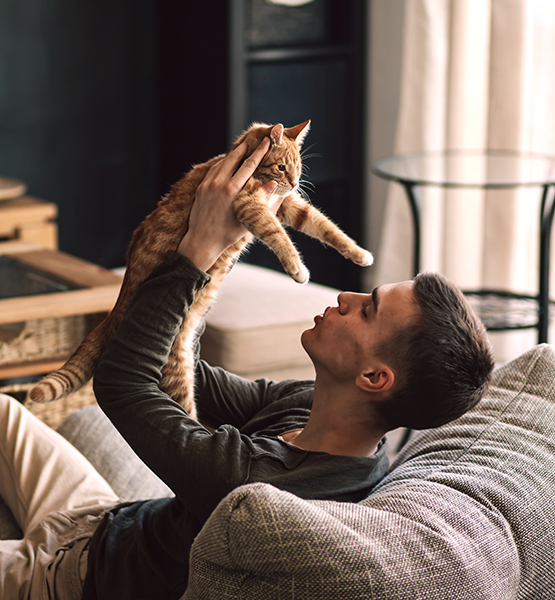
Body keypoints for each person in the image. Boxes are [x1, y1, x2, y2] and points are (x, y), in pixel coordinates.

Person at [0, 136, 495, 600]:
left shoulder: (259, 487)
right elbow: (184, 370)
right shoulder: (318, 411)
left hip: (67, 573)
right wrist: (208, 249)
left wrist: (197, 251)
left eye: (368, 309)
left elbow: (123, 383)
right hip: (105, 517)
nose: (346, 295)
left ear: (373, 378)